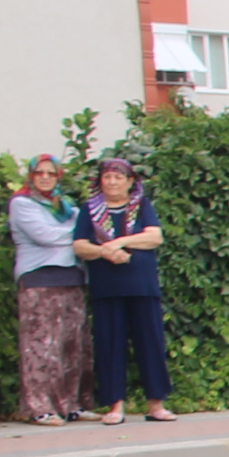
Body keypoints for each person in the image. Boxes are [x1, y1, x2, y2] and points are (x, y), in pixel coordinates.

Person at [72, 154, 174, 425]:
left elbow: (154, 237)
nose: (113, 182)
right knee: (110, 346)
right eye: (107, 177)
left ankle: (156, 404)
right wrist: (104, 253)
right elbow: (80, 246)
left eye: (119, 177)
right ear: (100, 181)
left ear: (130, 181)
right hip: (107, 288)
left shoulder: (142, 206)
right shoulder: (89, 209)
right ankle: (115, 406)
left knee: (150, 343)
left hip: (142, 287)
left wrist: (119, 242)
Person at [6, 153, 86, 424]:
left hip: (72, 278)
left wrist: (79, 233)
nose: (45, 177)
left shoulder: (66, 206)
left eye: (50, 173)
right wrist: (77, 235)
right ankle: (40, 407)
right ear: (30, 175)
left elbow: (84, 228)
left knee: (72, 347)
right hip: (39, 280)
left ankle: (71, 405)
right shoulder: (22, 203)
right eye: (39, 172)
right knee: (41, 348)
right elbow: (46, 236)